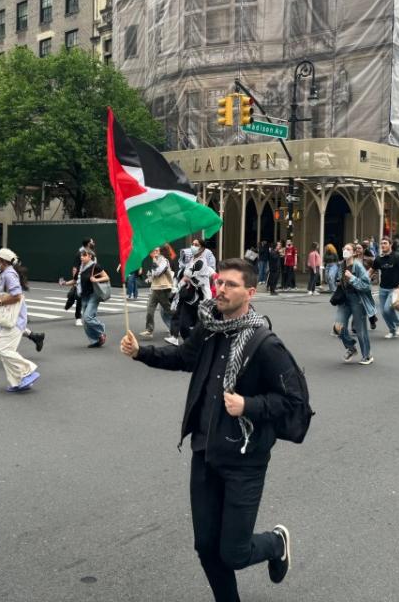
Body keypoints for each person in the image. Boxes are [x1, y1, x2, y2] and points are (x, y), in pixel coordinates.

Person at [119, 259, 302, 601]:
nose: (221, 288)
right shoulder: (208, 328)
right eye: (220, 282)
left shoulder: (265, 343)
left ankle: (276, 543)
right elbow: (183, 358)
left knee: (233, 552)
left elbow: (295, 402)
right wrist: (140, 352)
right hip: (205, 452)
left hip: (244, 460)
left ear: (250, 292)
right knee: (205, 546)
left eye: (231, 285)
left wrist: (250, 405)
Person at [0, 258, 45, 368]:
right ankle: (35, 337)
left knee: (1, 330)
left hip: (9, 308)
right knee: (9, 328)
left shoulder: (9, 275)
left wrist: (0, 301)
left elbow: (14, 295)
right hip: (1, 307)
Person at [0, 248, 40, 391]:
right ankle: (18, 382)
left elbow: (16, 295)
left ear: (2, 261)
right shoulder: (6, 273)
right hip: (11, 319)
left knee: (3, 349)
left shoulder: (9, 274)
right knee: (5, 352)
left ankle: (28, 371)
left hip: (14, 320)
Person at [334, 243, 375, 364]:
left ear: (353, 253)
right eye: (344, 248)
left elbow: (367, 285)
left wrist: (352, 278)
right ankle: (351, 347)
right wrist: (339, 282)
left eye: (348, 249)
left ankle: (367, 355)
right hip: (345, 299)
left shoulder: (358, 266)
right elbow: (339, 279)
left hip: (357, 299)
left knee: (360, 329)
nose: (345, 251)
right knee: (338, 327)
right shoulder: (341, 265)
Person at [62, 248, 110, 347]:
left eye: (84, 255)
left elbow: (106, 277)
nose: (81, 257)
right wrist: (64, 283)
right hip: (84, 296)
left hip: (93, 295)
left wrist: (96, 280)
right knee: (86, 320)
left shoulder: (95, 266)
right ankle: (96, 340)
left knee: (87, 317)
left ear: (90, 256)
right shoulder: (80, 268)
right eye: (81, 255)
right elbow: (75, 281)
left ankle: (101, 331)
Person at [371, 238, 399, 339]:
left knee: (387, 309)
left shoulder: (398, 256)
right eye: (381, 243)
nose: (383, 245)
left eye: (385, 243)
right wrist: (363, 280)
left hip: (395, 289)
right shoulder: (378, 259)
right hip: (382, 289)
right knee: (383, 312)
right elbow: (371, 271)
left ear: (390, 245)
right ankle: (392, 330)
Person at [175, 239, 214, 341]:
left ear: (202, 248)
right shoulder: (191, 261)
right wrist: (177, 289)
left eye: (196, 245)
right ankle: (189, 343)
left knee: (200, 327)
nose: (193, 246)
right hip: (189, 298)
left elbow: (189, 275)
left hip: (201, 299)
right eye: (192, 244)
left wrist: (187, 279)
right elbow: (185, 276)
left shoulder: (202, 262)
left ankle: (196, 346)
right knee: (183, 326)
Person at [140, 246, 174, 340]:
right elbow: (153, 275)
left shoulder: (164, 261)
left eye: (157, 251)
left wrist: (154, 262)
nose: (155, 252)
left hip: (163, 289)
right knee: (149, 310)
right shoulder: (154, 261)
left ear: (160, 252)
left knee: (169, 310)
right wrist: (149, 278)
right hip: (155, 289)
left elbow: (158, 272)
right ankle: (149, 330)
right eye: (153, 251)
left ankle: (178, 326)